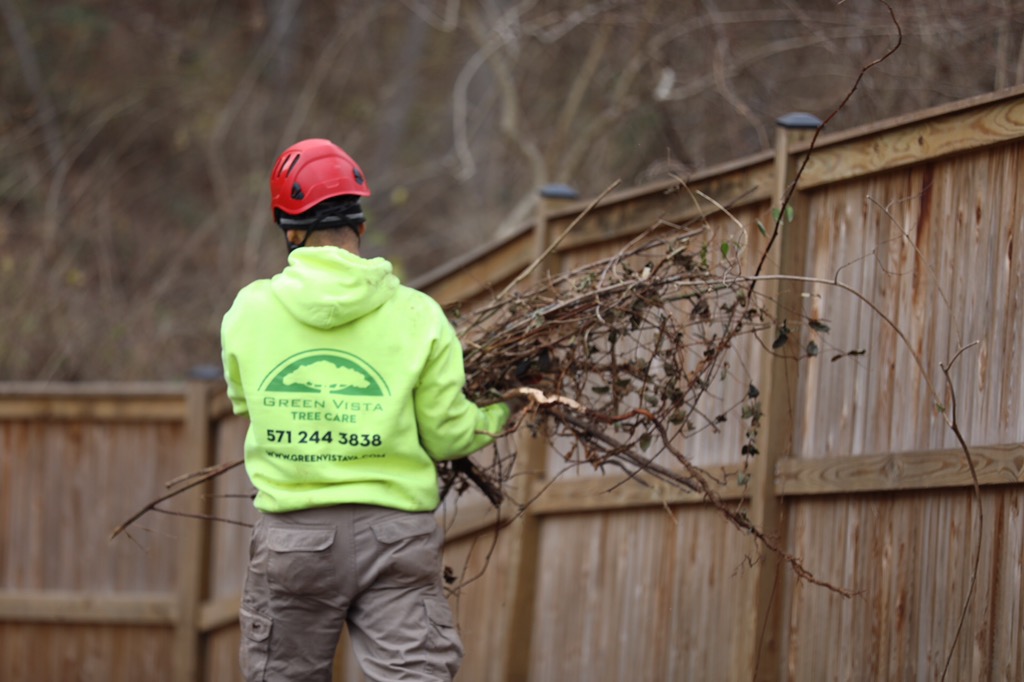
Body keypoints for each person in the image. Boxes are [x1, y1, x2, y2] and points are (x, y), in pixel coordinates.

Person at [220, 138, 513, 681]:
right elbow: (448, 434)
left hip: (293, 540)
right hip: (395, 538)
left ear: (289, 227)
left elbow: (246, 404)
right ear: (359, 221)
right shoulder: (417, 314)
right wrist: (503, 410)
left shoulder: (248, 312)